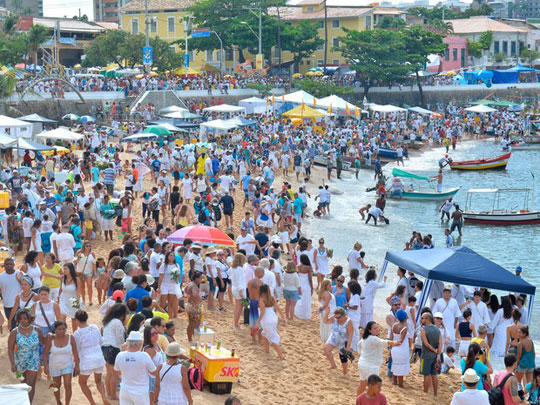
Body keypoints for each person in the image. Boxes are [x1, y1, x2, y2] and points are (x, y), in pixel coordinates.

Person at [7, 308, 45, 402]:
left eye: (25, 318)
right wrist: (12, 363)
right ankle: (24, 402)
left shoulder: (37, 330)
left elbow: (43, 342)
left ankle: (29, 403)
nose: (23, 320)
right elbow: (10, 349)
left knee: (31, 385)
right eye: (21, 318)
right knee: (23, 385)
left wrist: (49, 337)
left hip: (33, 360)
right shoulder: (14, 332)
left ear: (30, 318)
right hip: (19, 362)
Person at [73, 309, 109, 405]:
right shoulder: (94, 327)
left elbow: (76, 349)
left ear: (77, 320)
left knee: (82, 383)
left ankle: (92, 403)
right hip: (98, 357)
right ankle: (104, 398)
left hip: (86, 359)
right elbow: (101, 341)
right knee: (98, 381)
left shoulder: (77, 333)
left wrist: (76, 364)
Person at [114, 331, 158, 405]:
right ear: (140, 343)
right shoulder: (144, 356)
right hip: (141, 392)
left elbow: (117, 372)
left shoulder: (120, 355)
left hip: (125, 390)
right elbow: (154, 372)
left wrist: (126, 377)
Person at [43, 320, 79, 405]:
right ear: (55, 329)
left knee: (68, 384)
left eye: (64, 329)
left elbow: (75, 352)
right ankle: (58, 402)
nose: (62, 331)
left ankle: (67, 403)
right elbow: (45, 353)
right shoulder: (51, 339)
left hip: (67, 364)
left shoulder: (71, 337)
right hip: (54, 366)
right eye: (59, 329)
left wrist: (77, 365)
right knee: (56, 386)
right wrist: (45, 365)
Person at [357, 322, 395, 395]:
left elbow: (358, 346)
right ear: (369, 330)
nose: (377, 329)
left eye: (377, 327)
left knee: (362, 385)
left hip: (362, 364)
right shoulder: (373, 339)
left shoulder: (364, 339)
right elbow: (385, 342)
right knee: (375, 387)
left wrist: (362, 355)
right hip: (371, 366)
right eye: (375, 328)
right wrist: (396, 342)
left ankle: (358, 402)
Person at [101, 303, 127, 401]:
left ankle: (109, 393)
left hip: (105, 348)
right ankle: (113, 395)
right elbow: (119, 338)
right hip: (113, 348)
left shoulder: (107, 321)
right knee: (115, 374)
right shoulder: (117, 322)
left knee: (109, 373)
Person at [253, 284, 286, 359]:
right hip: (273, 318)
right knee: (264, 334)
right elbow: (277, 308)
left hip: (267, 319)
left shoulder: (262, 300)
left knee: (272, 337)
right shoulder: (271, 298)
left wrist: (257, 323)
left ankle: (280, 355)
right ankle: (266, 350)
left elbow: (262, 312)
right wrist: (283, 317)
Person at [323, 307, 354, 375]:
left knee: (343, 358)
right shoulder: (335, 317)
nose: (337, 319)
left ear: (343, 315)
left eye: (339, 317)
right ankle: (333, 365)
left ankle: (345, 371)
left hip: (343, 341)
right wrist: (327, 313)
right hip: (334, 338)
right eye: (336, 317)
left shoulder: (348, 321)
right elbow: (326, 321)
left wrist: (348, 346)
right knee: (326, 348)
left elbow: (351, 334)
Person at [419, 312, 442, 396]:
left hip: (426, 355)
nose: (421, 319)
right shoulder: (437, 328)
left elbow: (426, 344)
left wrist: (434, 350)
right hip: (435, 356)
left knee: (426, 374)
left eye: (422, 318)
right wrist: (438, 354)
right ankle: (435, 394)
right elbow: (440, 343)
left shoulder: (423, 329)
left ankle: (425, 393)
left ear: (427, 319)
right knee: (434, 375)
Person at [143, 325, 165, 403]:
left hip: (159, 377)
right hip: (152, 379)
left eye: (156, 333)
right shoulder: (149, 349)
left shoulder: (157, 344)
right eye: (152, 334)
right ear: (148, 336)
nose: (155, 335)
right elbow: (147, 367)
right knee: (152, 401)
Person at [390, 309, 410, 387]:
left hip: (394, 348)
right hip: (402, 349)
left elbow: (391, 338)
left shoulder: (394, 325)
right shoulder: (404, 327)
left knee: (395, 365)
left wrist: (392, 346)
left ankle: (394, 382)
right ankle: (400, 385)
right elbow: (401, 341)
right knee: (401, 368)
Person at [58, 262, 80, 331]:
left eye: (65, 269)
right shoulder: (62, 278)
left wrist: (77, 303)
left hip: (73, 300)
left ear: (70, 269)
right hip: (63, 300)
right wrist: (58, 299)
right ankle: (63, 334)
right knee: (62, 320)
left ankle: (75, 335)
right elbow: (60, 289)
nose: (64, 270)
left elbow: (78, 292)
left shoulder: (77, 279)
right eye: (63, 269)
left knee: (74, 319)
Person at [0, 257, 21, 329]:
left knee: (17, 326)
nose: (9, 265)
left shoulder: (19, 274)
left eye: (10, 264)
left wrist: (19, 280)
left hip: (19, 305)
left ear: (13, 264)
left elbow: (28, 286)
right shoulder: (1, 277)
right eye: (7, 264)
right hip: (7, 305)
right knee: (11, 326)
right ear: (4, 265)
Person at [184, 271, 203, 342]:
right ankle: (194, 339)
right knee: (196, 324)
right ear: (196, 278)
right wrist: (198, 300)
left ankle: (190, 339)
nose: (201, 280)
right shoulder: (194, 286)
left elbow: (186, 291)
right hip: (195, 307)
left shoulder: (189, 284)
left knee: (191, 323)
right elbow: (195, 295)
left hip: (189, 305)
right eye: (200, 278)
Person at [294, 254, 313, 320]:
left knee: (299, 299)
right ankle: (305, 315)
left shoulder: (297, 266)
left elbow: (296, 276)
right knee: (306, 300)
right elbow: (310, 279)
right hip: (306, 285)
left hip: (299, 285)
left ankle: (298, 313)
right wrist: (312, 288)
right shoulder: (309, 267)